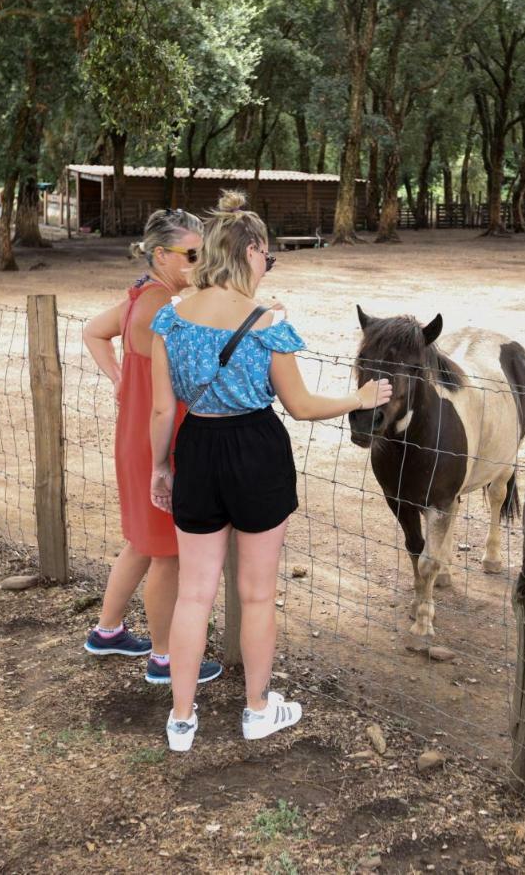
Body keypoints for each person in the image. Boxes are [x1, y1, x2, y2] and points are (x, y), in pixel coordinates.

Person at [149, 190, 391, 752]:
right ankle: (257, 710)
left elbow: (164, 409)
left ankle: (181, 720)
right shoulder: (269, 324)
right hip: (257, 450)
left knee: (194, 594)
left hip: (198, 446)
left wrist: (164, 465)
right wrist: (359, 398)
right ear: (252, 250)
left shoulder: (170, 318)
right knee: (256, 595)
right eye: (268, 257)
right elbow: (301, 406)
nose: (267, 266)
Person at [81, 209, 223, 687]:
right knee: (167, 553)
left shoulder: (143, 294)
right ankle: (164, 658)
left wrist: (122, 379)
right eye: (192, 255)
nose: (200, 262)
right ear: (161, 255)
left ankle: (108, 630)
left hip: (135, 437)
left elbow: (93, 332)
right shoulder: (164, 309)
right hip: (158, 443)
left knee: (142, 543)